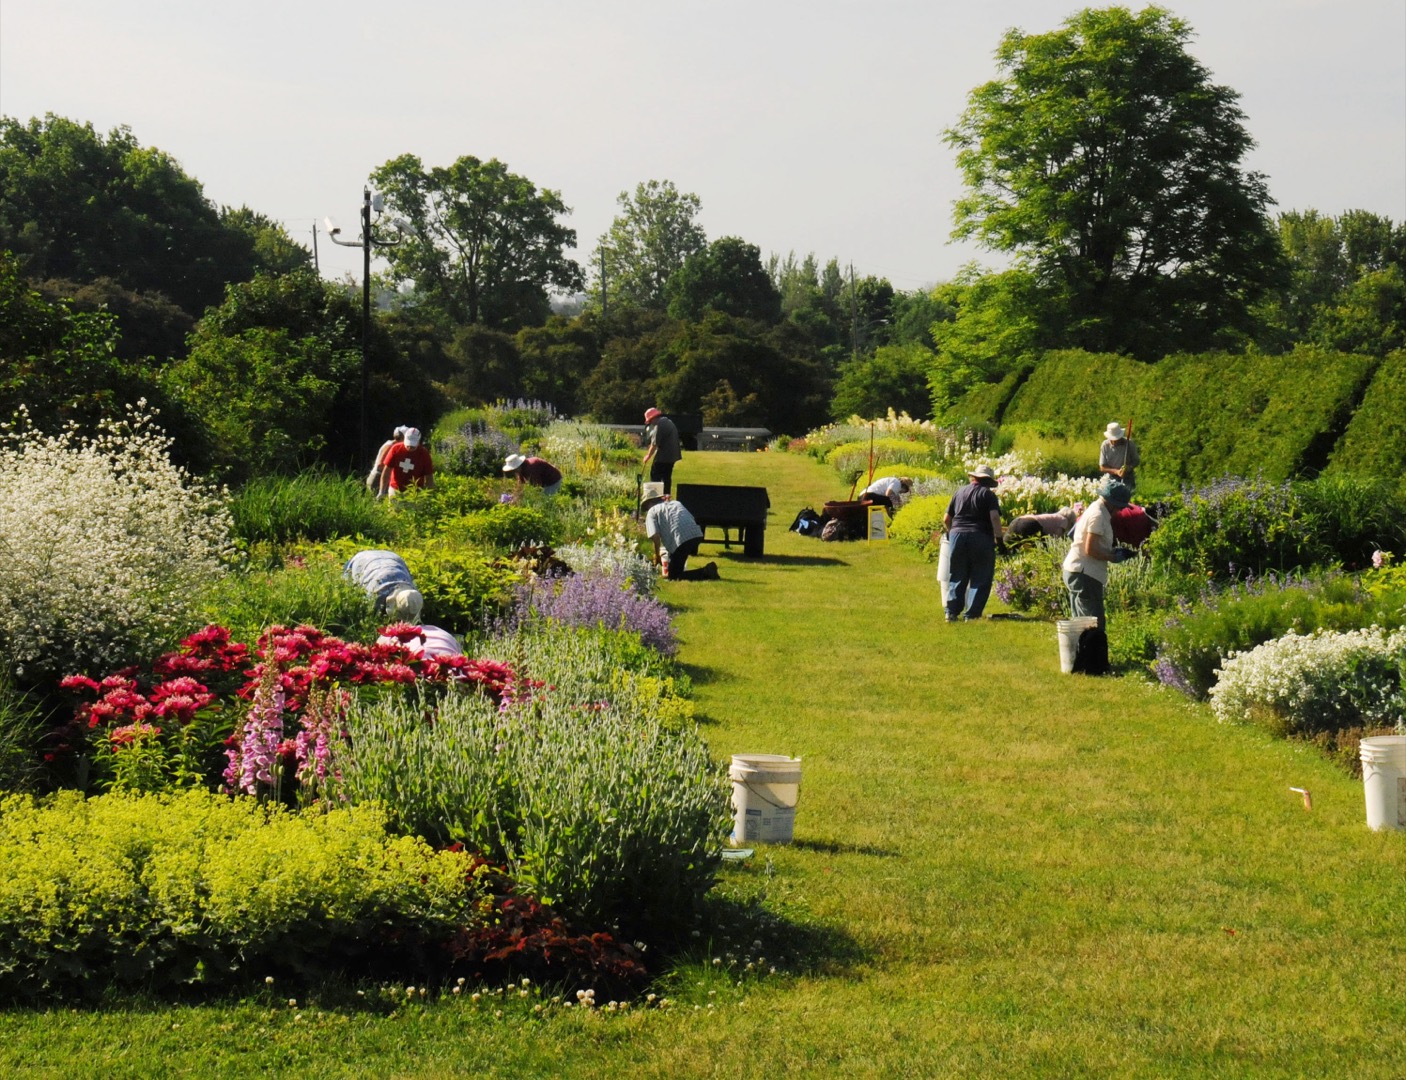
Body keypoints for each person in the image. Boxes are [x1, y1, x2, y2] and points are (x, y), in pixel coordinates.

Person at [1062, 478, 1134, 631]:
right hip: (1085, 574)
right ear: (1113, 503)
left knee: (1082, 623)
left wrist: (1112, 551)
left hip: (1078, 570)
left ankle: (1081, 654)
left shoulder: (1097, 508)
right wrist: (1112, 557)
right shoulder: (1098, 515)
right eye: (1120, 507)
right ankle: (1090, 655)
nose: (1121, 511)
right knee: (1092, 625)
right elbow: (1090, 549)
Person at [942, 464, 1003, 622]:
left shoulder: (959, 492)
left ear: (974, 477)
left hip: (957, 534)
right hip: (980, 535)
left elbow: (946, 519)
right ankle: (972, 614)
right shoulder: (988, 495)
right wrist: (999, 540)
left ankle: (951, 612)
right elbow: (995, 518)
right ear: (988, 482)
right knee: (981, 575)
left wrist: (951, 533)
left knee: (957, 574)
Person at [642, 493, 719, 581]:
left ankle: (706, 571)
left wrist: (657, 555)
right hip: (695, 534)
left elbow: (655, 536)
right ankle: (705, 571)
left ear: (650, 502)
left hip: (681, 540)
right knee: (677, 565)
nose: (646, 510)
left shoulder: (652, 511)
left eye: (645, 507)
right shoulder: (676, 503)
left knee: (674, 577)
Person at [343, 549, 424, 620]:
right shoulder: (375, 594)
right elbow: (367, 614)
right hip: (362, 560)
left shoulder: (413, 593)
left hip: (393, 558)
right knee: (348, 593)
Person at [378, 427, 434, 498]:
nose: (410, 448)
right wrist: (381, 491)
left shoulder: (424, 454)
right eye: (408, 445)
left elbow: (429, 476)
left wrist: (429, 495)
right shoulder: (395, 449)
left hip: (415, 493)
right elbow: (386, 471)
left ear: (418, 442)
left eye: (412, 446)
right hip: (395, 490)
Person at [641, 407, 681, 495]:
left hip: (664, 457)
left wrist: (648, 456)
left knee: (655, 475)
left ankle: (655, 497)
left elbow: (654, 444)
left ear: (653, 418)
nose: (650, 423)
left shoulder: (659, 426)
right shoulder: (668, 422)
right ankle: (666, 498)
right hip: (672, 456)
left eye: (650, 421)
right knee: (666, 478)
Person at [1005, 504, 1081, 543]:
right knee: (1042, 545)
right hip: (1030, 524)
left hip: (1017, 521)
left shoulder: (1054, 516)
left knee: (1010, 544)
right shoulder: (1064, 520)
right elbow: (1055, 539)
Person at [1099, 422, 1140, 490]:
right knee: (1111, 499)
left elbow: (1136, 461)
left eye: (1117, 438)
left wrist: (1128, 468)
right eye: (1113, 439)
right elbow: (1102, 467)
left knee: (1127, 498)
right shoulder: (1105, 445)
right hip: (1111, 478)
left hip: (1128, 478)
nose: (1115, 441)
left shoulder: (1129, 444)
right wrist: (1116, 471)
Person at [367, 425, 408, 494]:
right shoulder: (390, 445)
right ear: (403, 437)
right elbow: (380, 464)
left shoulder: (395, 446)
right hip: (377, 478)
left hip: (380, 478)